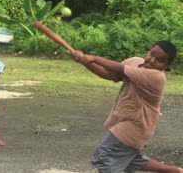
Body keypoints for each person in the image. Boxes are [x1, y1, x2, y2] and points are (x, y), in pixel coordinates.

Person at [70, 41, 183, 173]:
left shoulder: (156, 77)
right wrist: (85, 61)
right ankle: (174, 171)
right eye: (152, 54)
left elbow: (119, 68)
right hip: (129, 123)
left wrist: (93, 58)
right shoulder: (135, 62)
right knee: (131, 161)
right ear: (149, 49)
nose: (152, 60)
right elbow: (109, 74)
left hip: (134, 126)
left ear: (166, 65)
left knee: (105, 160)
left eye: (160, 60)